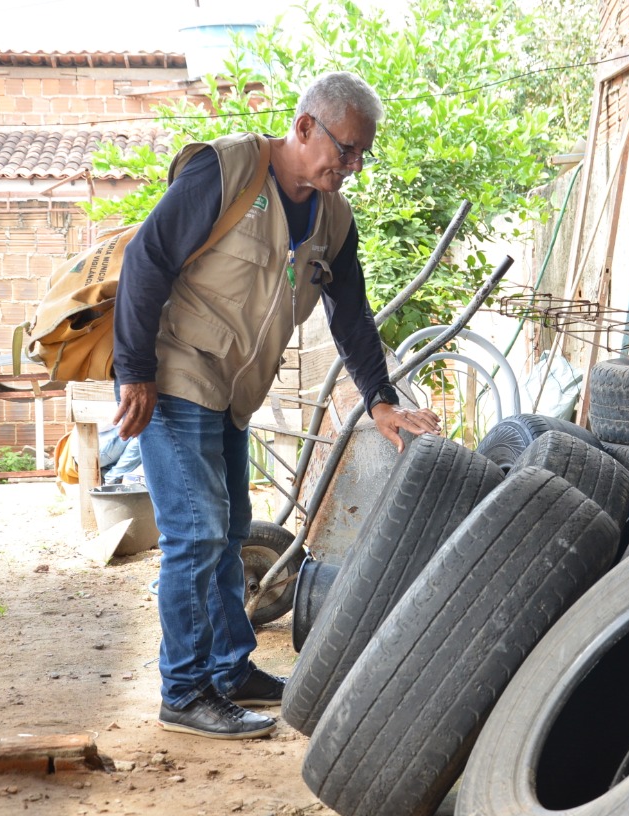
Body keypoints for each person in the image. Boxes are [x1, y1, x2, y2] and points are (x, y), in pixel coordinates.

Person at [112, 71, 441, 740]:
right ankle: (183, 689)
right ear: (303, 128)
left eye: (360, 155)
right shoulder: (224, 173)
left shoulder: (331, 218)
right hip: (177, 373)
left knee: (229, 532)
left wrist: (380, 398)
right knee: (197, 533)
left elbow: (351, 314)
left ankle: (231, 671)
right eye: (345, 150)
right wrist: (135, 369)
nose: (351, 166)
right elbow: (147, 257)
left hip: (233, 391)